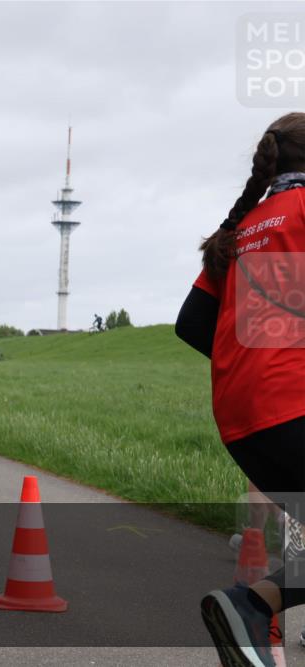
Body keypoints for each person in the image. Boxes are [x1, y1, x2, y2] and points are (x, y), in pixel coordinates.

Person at [175, 112, 305, 667]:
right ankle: (253, 604)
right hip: (291, 407)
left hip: (243, 418)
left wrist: (251, 365)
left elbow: (191, 322)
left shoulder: (244, 225)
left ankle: (254, 608)